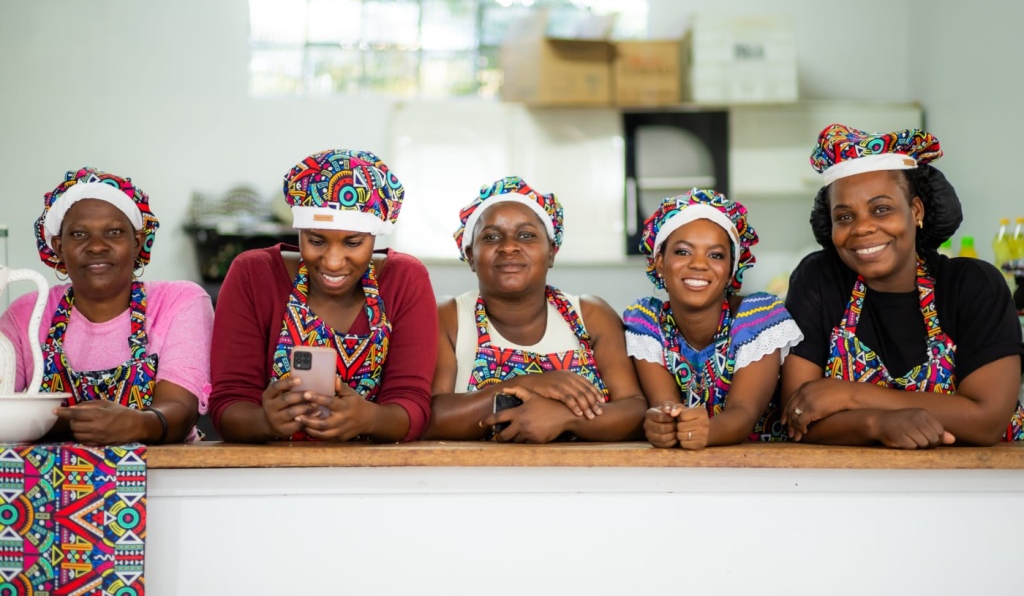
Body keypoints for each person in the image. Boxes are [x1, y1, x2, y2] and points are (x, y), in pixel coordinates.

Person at [781, 124, 1024, 448]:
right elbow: (799, 416)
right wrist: (877, 423)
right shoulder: (819, 280)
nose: (862, 228)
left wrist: (852, 395)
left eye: (881, 209)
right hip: (847, 486)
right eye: (844, 217)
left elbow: (986, 420)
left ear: (916, 210)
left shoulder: (972, 285)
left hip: (982, 486)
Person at [208, 149, 436, 443]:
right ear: (299, 231)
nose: (332, 261)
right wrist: (263, 421)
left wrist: (368, 418)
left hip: (374, 478)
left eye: (353, 243)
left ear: (375, 237)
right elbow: (228, 403)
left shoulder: (405, 280)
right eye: (316, 240)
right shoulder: (253, 275)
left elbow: (413, 405)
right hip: (270, 476)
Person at [424, 176, 646, 443]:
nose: (508, 247)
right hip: (476, 482)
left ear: (552, 251)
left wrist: (566, 417)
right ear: (471, 255)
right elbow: (429, 417)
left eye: (526, 235)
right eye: (491, 237)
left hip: (584, 481)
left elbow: (634, 410)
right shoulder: (449, 316)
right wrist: (527, 384)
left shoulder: (590, 315)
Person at [0, 167, 214, 444]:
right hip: (47, 481)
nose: (97, 246)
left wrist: (140, 424)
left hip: (165, 477)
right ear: (58, 246)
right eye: (78, 234)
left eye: (113, 232)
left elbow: (181, 409)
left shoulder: (180, 302)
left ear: (137, 242)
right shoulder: (25, 314)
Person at [623, 189, 803, 449]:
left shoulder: (758, 318)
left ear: (732, 268)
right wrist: (663, 423)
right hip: (682, 472)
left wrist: (703, 430)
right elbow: (665, 405)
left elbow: (742, 415)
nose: (699, 264)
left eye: (716, 255)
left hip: (764, 472)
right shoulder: (648, 323)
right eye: (683, 252)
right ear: (659, 262)